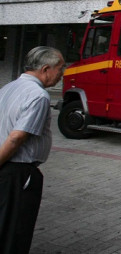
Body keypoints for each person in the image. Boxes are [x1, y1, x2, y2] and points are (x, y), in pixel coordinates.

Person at [0, 46, 65, 254]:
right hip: (18, 173)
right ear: (46, 68)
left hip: (7, 170)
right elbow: (17, 136)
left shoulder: (7, 88)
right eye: (60, 69)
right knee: (15, 231)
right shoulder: (39, 96)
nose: (62, 74)